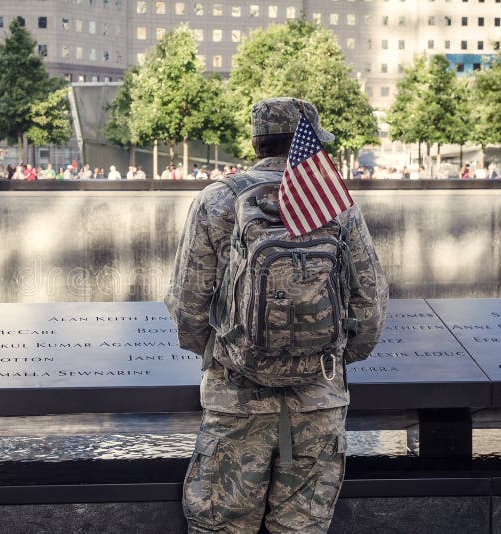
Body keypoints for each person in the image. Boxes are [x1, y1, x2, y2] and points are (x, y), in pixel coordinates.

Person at [165, 97, 388, 533]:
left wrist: (224, 354)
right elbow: (371, 302)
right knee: (301, 528)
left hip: (236, 398)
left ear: (255, 141)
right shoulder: (333, 202)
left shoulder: (217, 200)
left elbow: (187, 303)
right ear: (308, 142)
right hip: (318, 399)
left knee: (221, 526)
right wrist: (328, 357)